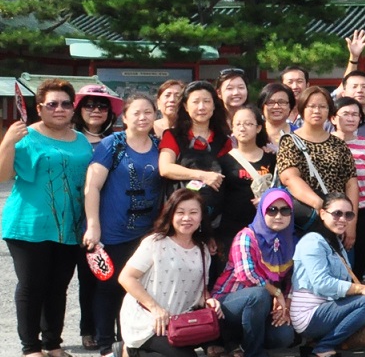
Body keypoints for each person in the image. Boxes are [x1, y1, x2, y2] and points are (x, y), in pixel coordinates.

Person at [1, 78, 88, 357]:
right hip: (29, 224)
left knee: (58, 287)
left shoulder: (82, 140)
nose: (59, 109)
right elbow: (3, 176)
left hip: (69, 226)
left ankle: (52, 344)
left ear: (73, 108)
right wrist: (7, 141)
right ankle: (31, 348)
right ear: (39, 108)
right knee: (32, 286)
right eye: (52, 104)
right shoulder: (25, 136)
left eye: (65, 104)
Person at [82, 93, 163, 357]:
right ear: (125, 117)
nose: (143, 117)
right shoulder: (112, 144)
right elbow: (92, 186)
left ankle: (128, 342)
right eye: (136, 112)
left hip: (145, 233)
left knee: (135, 288)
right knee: (108, 288)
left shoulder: (159, 146)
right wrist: (93, 225)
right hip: (111, 230)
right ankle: (106, 345)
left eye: (148, 112)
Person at [116, 189, 221, 357]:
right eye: (180, 212)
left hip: (179, 324)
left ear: (201, 217)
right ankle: (129, 350)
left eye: (193, 212)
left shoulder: (202, 250)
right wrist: (155, 308)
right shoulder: (155, 243)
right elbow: (126, 277)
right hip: (147, 320)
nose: (187, 218)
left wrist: (209, 300)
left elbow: (200, 290)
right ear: (170, 215)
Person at [290, 192, 365, 357]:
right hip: (310, 315)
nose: (343, 219)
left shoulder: (336, 242)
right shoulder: (312, 241)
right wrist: (361, 289)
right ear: (322, 214)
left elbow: (343, 284)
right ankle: (323, 347)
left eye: (348, 215)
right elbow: (322, 284)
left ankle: (321, 340)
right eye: (337, 213)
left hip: (331, 306)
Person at [212, 189, 297, 357]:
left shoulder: (292, 241)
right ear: (262, 211)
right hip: (229, 304)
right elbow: (247, 275)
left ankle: (241, 345)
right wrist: (276, 292)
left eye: (285, 210)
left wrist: (285, 305)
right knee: (258, 295)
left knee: (284, 335)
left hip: (264, 307)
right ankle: (254, 352)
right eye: (272, 210)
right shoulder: (246, 237)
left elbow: (293, 278)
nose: (278, 216)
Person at [73, 84, 123, 349]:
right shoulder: (70, 138)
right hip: (76, 218)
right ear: (79, 109)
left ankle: (118, 331)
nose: (95, 110)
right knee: (88, 278)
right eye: (89, 105)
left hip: (113, 218)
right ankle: (88, 328)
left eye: (102, 106)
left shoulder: (118, 140)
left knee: (114, 278)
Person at [276, 87, 359, 235]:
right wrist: (322, 206)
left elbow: (351, 183)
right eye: (311, 106)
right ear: (302, 109)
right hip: (306, 219)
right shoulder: (290, 141)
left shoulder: (339, 144)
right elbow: (289, 178)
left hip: (337, 221)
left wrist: (350, 222)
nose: (317, 111)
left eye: (322, 106)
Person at [158, 81, 231, 229]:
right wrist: (202, 175)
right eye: (195, 102)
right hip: (179, 217)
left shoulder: (224, 140)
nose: (201, 107)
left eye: (207, 101)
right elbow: (165, 168)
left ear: (214, 105)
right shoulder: (173, 136)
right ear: (185, 106)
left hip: (214, 218)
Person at [333, 96, 365, 280]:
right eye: (345, 114)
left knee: (359, 266)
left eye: (355, 114)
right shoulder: (326, 143)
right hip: (331, 213)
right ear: (333, 118)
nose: (351, 118)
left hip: (362, 214)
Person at [217, 106, 275, 258]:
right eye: (238, 124)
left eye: (248, 124)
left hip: (266, 229)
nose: (242, 128)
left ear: (259, 128)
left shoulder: (272, 159)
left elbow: (282, 189)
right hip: (232, 230)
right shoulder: (223, 161)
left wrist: (268, 199)